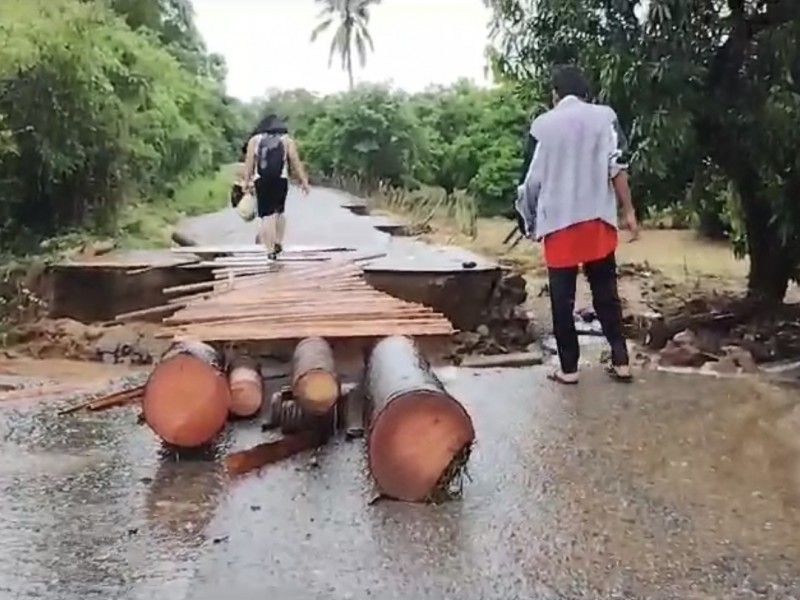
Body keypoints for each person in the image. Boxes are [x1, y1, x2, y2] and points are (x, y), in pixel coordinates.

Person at [516, 65, 639, 385]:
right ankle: (621, 360)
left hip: (558, 222)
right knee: (605, 293)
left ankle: (568, 369)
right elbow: (617, 166)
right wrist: (628, 212)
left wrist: (528, 221)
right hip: (597, 218)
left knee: (562, 298)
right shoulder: (605, 117)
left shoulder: (543, 125)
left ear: (555, 93)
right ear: (585, 92)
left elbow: (530, 182)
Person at [242, 114, 310, 259]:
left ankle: (270, 250)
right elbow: (296, 162)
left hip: (261, 180)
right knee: (279, 211)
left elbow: (249, 164)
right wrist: (303, 181)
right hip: (281, 180)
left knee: (267, 215)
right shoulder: (286, 140)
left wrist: (246, 182)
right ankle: (278, 242)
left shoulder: (254, 140)